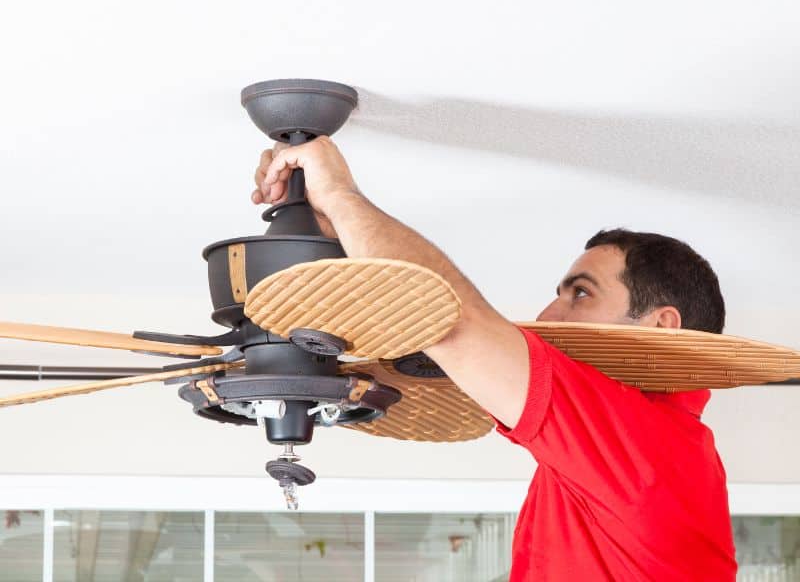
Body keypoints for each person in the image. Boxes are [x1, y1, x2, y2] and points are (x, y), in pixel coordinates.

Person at [252, 137, 737, 581]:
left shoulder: (646, 445)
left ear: (660, 325)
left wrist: (340, 195)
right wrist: (334, 225)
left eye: (581, 294)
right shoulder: (638, 453)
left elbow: (447, 320)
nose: (548, 315)